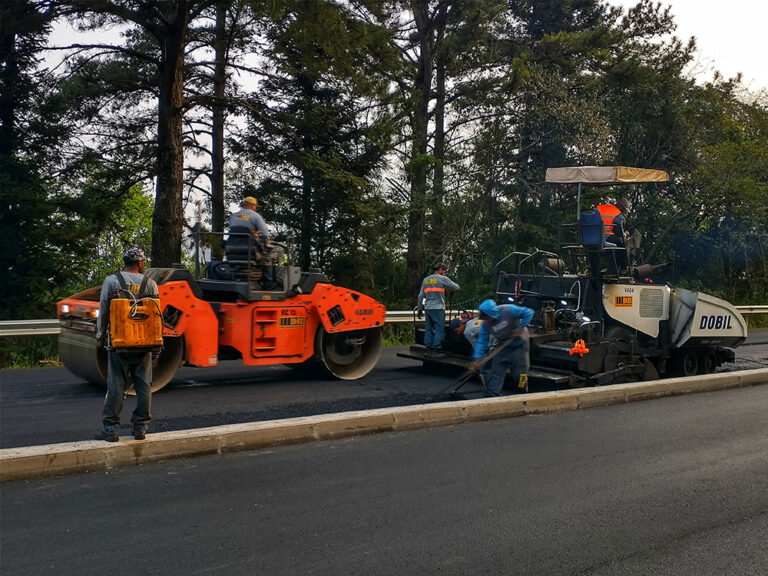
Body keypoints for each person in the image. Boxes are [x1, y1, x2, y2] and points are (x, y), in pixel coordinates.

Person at [94, 247, 160, 442]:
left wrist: (100, 336)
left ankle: (110, 430)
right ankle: (140, 429)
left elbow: (104, 311)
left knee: (116, 387)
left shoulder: (112, 282)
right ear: (139, 263)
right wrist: (157, 346)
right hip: (144, 344)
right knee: (144, 387)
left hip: (119, 343)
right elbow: (156, 317)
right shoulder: (151, 284)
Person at [471, 299, 534, 397]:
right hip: (503, 345)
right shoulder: (486, 324)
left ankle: (522, 393)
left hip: (519, 345)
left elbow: (529, 312)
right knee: (496, 370)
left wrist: (521, 327)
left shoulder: (509, 310)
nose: (486, 320)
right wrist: (477, 358)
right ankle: (493, 395)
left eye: (487, 317)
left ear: (492, 313)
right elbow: (482, 341)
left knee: (520, 373)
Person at [227, 196, 277, 289]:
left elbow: (235, 231)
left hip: (231, 250)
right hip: (249, 252)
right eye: (255, 206)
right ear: (253, 206)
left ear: (244, 205)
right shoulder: (255, 216)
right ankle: (268, 284)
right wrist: (265, 245)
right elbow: (264, 235)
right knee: (269, 257)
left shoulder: (233, 216)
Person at [417, 262, 460, 357]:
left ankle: (428, 349)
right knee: (439, 329)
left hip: (428, 308)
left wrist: (420, 308)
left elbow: (420, 296)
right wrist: (451, 291)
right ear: (441, 270)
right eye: (444, 271)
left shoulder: (426, 280)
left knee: (428, 328)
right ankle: (435, 350)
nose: (445, 273)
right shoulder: (442, 279)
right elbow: (456, 287)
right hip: (438, 308)